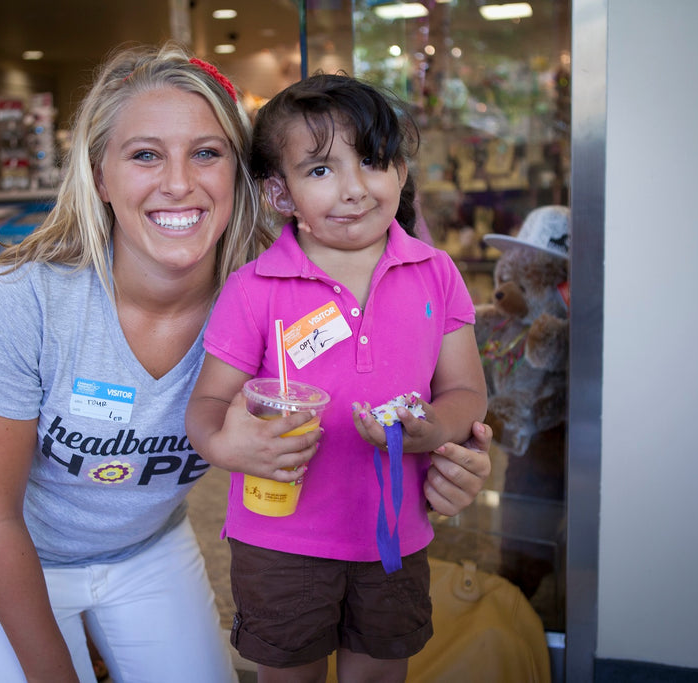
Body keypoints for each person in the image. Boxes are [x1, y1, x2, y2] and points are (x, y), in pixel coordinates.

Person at [0, 42, 492, 683]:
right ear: (98, 177)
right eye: (145, 155)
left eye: (206, 153)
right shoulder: (26, 299)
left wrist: (447, 456)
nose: (178, 182)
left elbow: (410, 384)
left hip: (146, 550)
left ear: (243, 177)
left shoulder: (271, 291)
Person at [185, 73, 489, 683]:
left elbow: (466, 391)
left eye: (373, 162)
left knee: (379, 673)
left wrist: (430, 431)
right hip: (280, 540)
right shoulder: (254, 289)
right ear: (281, 193)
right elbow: (207, 403)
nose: (353, 189)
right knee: (289, 675)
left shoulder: (437, 273)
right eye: (320, 170)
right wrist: (227, 443)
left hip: (395, 535)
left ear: (401, 173)